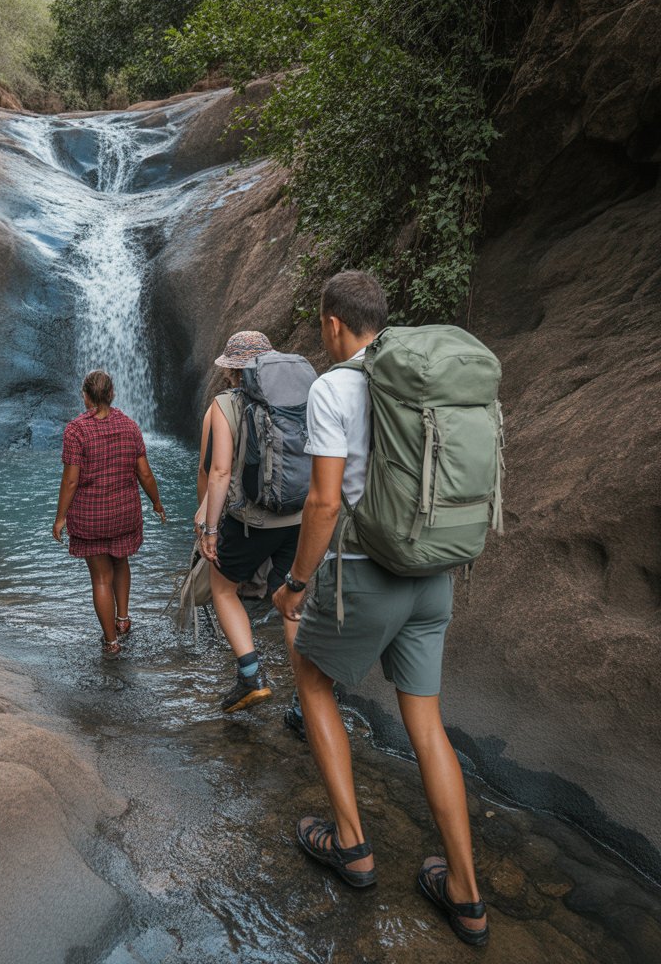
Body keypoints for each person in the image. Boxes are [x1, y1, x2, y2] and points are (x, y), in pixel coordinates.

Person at [272, 270, 489, 946]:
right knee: (426, 722)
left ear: (333, 323)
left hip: (366, 572)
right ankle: (466, 894)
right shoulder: (421, 381)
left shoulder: (332, 388)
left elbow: (324, 502)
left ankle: (352, 845)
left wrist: (296, 583)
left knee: (312, 679)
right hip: (434, 572)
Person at [197, 331, 304, 713]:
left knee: (223, 588)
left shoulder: (225, 404)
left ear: (232, 371)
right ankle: (307, 698)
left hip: (251, 522)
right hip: (298, 517)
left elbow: (219, 472)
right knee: (291, 600)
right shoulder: (298, 398)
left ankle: (251, 676)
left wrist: (210, 530)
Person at [53, 370, 165, 659]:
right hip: (124, 513)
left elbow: (71, 480)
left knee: (101, 578)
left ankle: (112, 642)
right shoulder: (130, 426)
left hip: (91, 517)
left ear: (85, 396)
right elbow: (144, 473)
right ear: (112, 394)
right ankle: (123, 619)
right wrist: (156, 502)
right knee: (121, 561)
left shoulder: (76, 430)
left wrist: (60, 517)